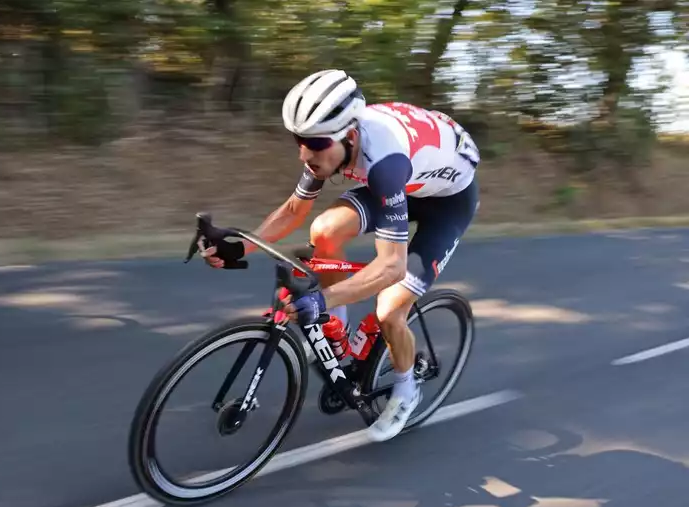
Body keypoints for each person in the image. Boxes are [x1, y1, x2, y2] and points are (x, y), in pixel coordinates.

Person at [197, 69, 480, 442]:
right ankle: (337, 333)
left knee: (391, 308)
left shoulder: (383, 161)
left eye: (313, 143)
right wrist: (240, 244)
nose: (304, 152)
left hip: (447, 202)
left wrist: (321, 298)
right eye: (298, 140)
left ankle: (407, 390)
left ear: (348, 134)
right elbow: (294, 211)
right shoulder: (330, 143)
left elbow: (391, 266)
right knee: (324, 231)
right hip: (410, 180)